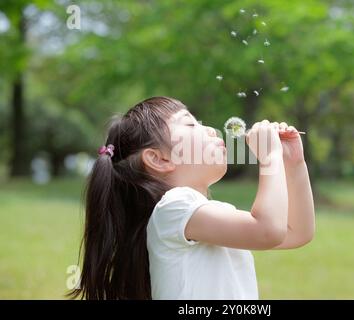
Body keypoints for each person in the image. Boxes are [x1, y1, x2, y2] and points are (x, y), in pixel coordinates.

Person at [68, 96, 315, 300]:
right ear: (159, 159)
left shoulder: (203, 212)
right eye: (190, 124)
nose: (209, 129)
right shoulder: (174, 207)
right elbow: (268, 230)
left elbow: (295, 231)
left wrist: (293, 163)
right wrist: (270, 157)